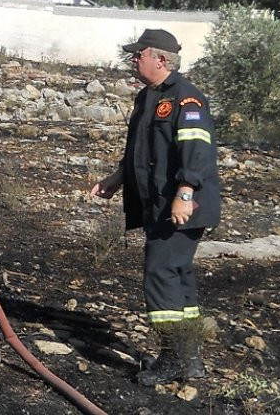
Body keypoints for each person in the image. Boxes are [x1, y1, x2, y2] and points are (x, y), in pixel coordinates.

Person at [89, 28, 220, 386]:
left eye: (139, 54)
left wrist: (185, 192)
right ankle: (190, 358)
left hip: (181, 205)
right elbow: (141, 150)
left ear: (160, 59)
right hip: (160, 204)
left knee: (160, 275)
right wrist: (117, 177)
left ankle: (172, 359)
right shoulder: (148, 98)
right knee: (179, 277)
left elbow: (197, 151)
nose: (133, 60)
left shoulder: (187, 98)